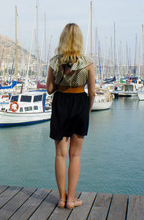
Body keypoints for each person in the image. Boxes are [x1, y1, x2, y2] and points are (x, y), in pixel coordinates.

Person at [46, 23, 95, 209]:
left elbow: (50, 89)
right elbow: (92, 93)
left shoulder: (54, 61)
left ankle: (61, 198)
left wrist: (58, 83)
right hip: (80, 103)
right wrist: (87, 110)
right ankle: (71, 199)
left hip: (61, 104)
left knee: (60, 154)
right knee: (75, 155)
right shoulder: (87, 62)